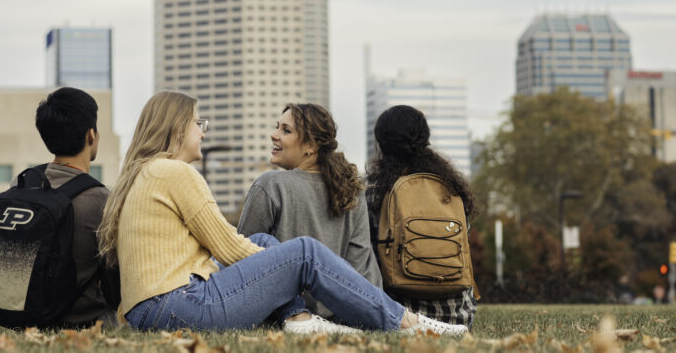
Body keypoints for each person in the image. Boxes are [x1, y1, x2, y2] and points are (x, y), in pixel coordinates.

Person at [97, 91, 467, 336]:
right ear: (177, 128)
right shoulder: (175, 172)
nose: (203, 132)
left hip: (155, 308)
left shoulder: (149, 171)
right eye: (199, 124)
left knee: (264, 241)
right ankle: (407, 322)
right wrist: (292, 269)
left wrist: (276, 264)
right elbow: (228, 249)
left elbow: (236, 247)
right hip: (177, 308)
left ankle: (298, 319)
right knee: (303, 252)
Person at [238, 103, 382, 322]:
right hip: (342, 316)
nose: (274, 135)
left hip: (283, 317)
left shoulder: (270, 185)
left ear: (311, 146)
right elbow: (361, 265)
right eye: (278, 127)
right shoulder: (352, 189)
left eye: (286, 130)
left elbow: (241, 261)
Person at [366, 104, 479, 328]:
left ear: (381, 143)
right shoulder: (452, 188)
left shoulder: (374, 193)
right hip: (459, 314)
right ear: (425, 137)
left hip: (400, 314)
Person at [33, 87, 121, 327]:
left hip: (25, 315)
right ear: (91, 135)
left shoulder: (21, 186)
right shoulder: (102, 199)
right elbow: (115, 289)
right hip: (86, 321)